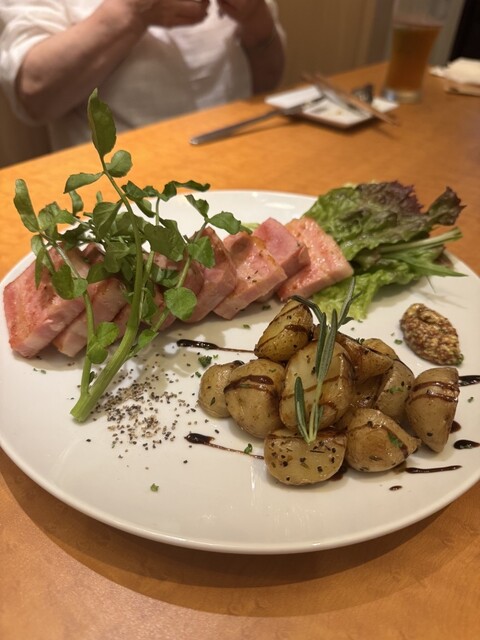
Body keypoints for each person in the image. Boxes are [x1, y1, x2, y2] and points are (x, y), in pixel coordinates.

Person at [0, 0, 285, 150]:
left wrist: (255, 16)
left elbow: (269, 78)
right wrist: (132, 12)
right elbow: (33, 94)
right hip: (125, 191)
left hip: (245, 155)